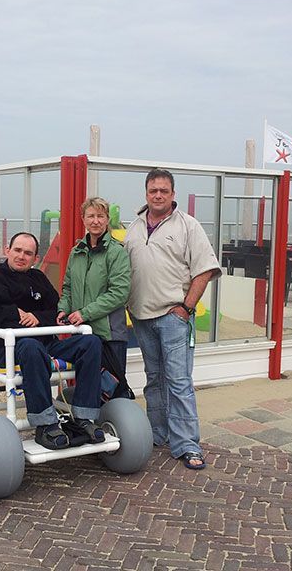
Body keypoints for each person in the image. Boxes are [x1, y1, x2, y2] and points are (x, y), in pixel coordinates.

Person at [0, 232, 104, 450]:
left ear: (35, 258)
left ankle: (84, 417)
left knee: (91, 343)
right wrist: (14, 312)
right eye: (17, 250)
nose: (22, 256)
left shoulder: (38, 278)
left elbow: (57, 311)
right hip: (10, 348)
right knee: (31, 346)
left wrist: (37, 317)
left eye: (28, 253)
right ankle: (45, 424)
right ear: (7, 250)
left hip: (47, 344)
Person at [124, 170, 221, 470]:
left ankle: (187, 444)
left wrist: (186, 308)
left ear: (173, 194)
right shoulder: (134, 228)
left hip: (173, 317)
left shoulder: (188, 226)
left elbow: (205, 269)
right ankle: (159, 434)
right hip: (141, 317)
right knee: (154, 380)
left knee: (179, 382)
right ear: (146, 193)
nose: (158, 195)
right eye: (153, 190)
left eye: (164, 190)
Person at [57, 197, 132, 394]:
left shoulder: (116, 252)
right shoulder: (76, 252)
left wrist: (84, 313)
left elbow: (119, 293)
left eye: (100, 216)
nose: (96, 221)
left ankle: (117, 414)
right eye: (91, 216)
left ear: (107, 220)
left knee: (112, 390)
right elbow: (68, 287)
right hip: (82, 333)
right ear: (83, 219)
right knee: (87, 388)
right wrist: (63, 309)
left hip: (109, 335)